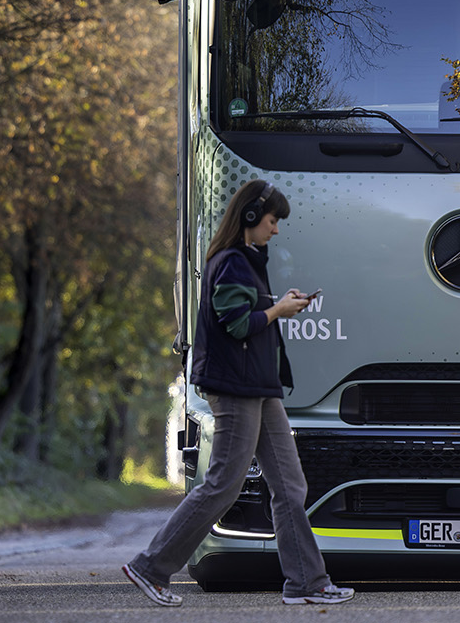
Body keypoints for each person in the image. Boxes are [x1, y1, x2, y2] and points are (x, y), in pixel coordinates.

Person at [123, 179, 355, 607]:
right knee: (223, 484)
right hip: (235, 389)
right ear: (250, 218)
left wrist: (278, 304)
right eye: (272, 221)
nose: (276, 230)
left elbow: (248, 314)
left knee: (289, 485)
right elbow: (236, 324)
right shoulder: (230, 261)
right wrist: (278, 310)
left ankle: (306, 582)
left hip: (260, 389)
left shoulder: (247, 261)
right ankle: (150, 567)